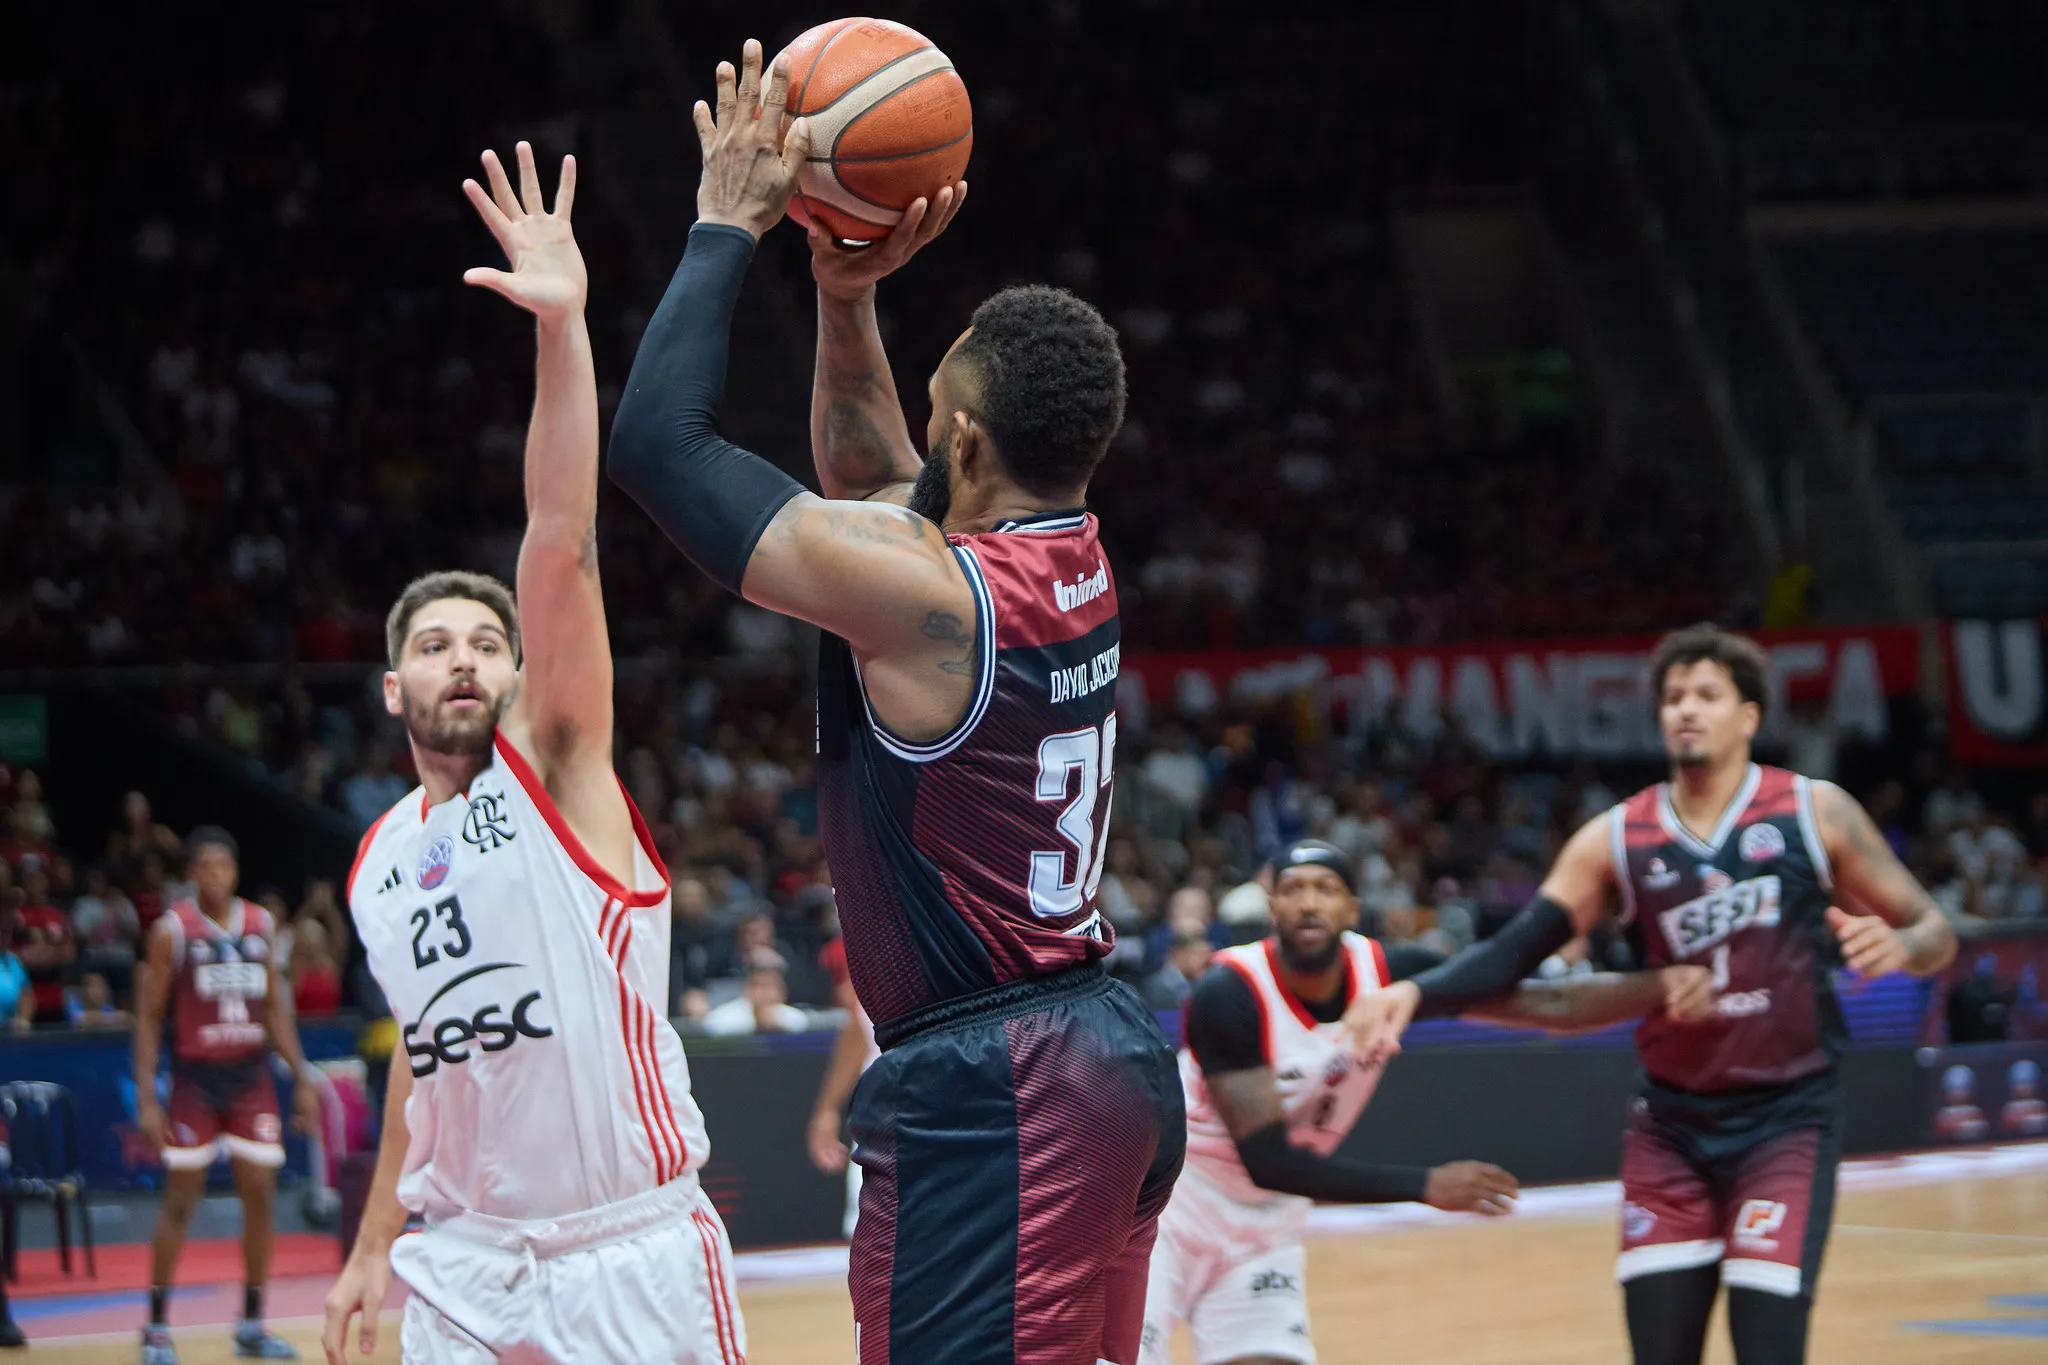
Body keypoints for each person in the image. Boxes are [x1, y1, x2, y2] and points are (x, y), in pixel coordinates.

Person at [609, 43, 1181, 1364]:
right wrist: (844, 296)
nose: (922, 431)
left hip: (1003, 1091)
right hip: (1093, 1057)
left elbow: (658, 448)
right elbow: (883, 487)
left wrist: (723, 226)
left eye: (939, 408)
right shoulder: (1067, 557)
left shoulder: (937, 600)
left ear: (966, 443)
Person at [321, 144, 739, 1365]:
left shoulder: (555, 777)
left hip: (627, 1254)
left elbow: (558, 540)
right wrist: (366, 1248)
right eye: (435, 644)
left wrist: (562, 331)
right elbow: (423, 1057)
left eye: (487, 643)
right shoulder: (378, 862)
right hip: (462, 1262)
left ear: (515, 680)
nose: (465, 658)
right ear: (392, 688)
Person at [1346, 624, 1959, 1365]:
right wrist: (1416, 992)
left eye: (1706, 694)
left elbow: (1934, 928)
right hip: (1672, 1123)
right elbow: (1515, 957)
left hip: (1786, 1116)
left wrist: (1903, 946)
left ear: (1750, 716)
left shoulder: (1812, 810)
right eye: (1673, 697)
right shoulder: (1615, 836)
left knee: (1770, 1347)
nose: (1685, 710)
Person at [1142, 839, 1710, 1365]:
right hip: (1175, 1207)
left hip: (1267, 1227)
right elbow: (1267, 1162)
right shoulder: (1230, 990)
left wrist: (1663, 985)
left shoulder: (1394, 976)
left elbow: (1550, 1003)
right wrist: (1427, 1187)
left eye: (1325, 889)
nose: (1309, 904)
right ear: (1272, 908)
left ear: (1351, 908)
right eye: (1293, 890)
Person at [133, 826, 321, 1363]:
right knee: (181, 1198)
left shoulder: (261, 925)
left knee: (260, 1193)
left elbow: (277, 1010)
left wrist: (302, 1077)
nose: (216, 875)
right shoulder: (172, 932)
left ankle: (254, 1323)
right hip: (194, 1077)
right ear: (192, 874)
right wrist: (148, 1097)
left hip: (250, 1076)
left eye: (225, 867)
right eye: (207, 867)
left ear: (235, 873)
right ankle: (156, 1326)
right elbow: (147, 1018)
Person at [701, 953, 807, 1035]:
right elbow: (711, 1025)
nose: (764, 993)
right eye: (758, 986)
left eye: (770, 986)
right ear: (746, 988)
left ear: (782, 991)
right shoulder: (723, 1018)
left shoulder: (795, 1019)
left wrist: (775, 1026)